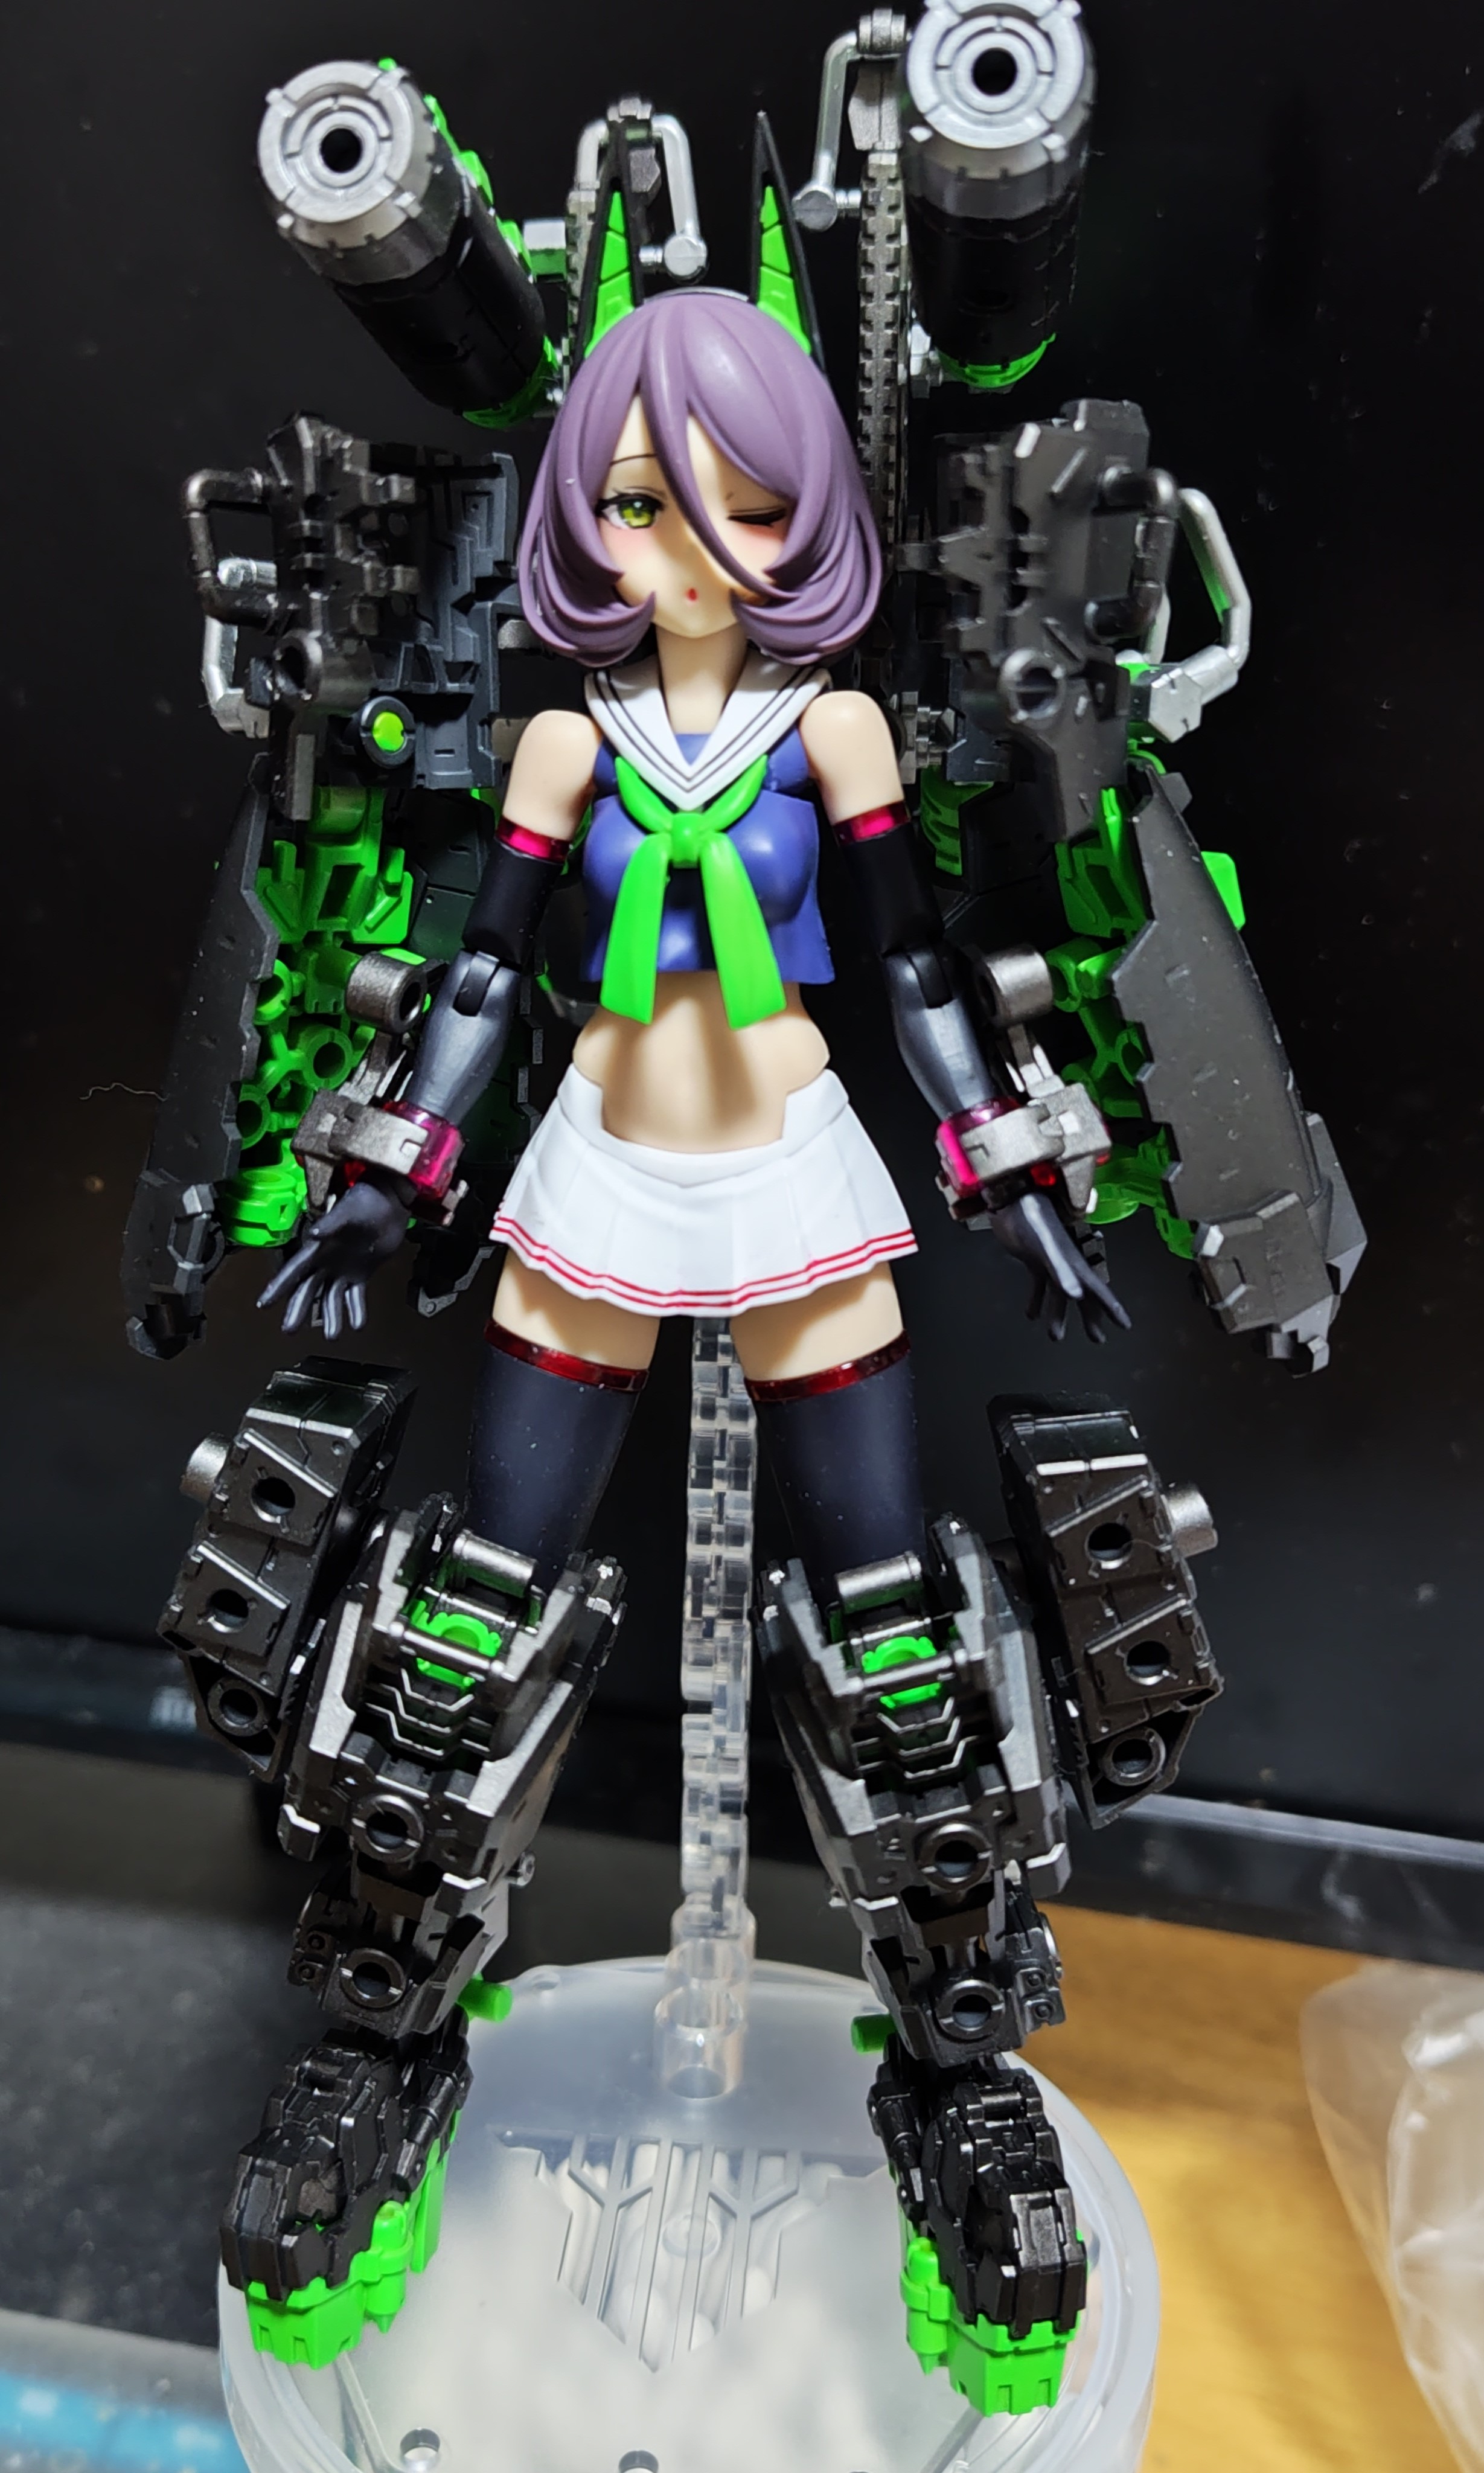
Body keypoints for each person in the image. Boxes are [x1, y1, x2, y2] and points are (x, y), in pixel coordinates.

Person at [261, 286, 1125, 1599]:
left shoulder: (829, 731)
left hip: (787, 1158)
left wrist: (1010, 1180)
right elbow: (483, 977)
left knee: (885, 1610)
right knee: (491, 1593)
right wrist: (392, 1175)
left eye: (754, 507)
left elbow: (915, 966)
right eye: (637, 503)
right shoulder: (570, 745)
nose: (698, 547)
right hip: (600, 1160)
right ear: (581, 517)